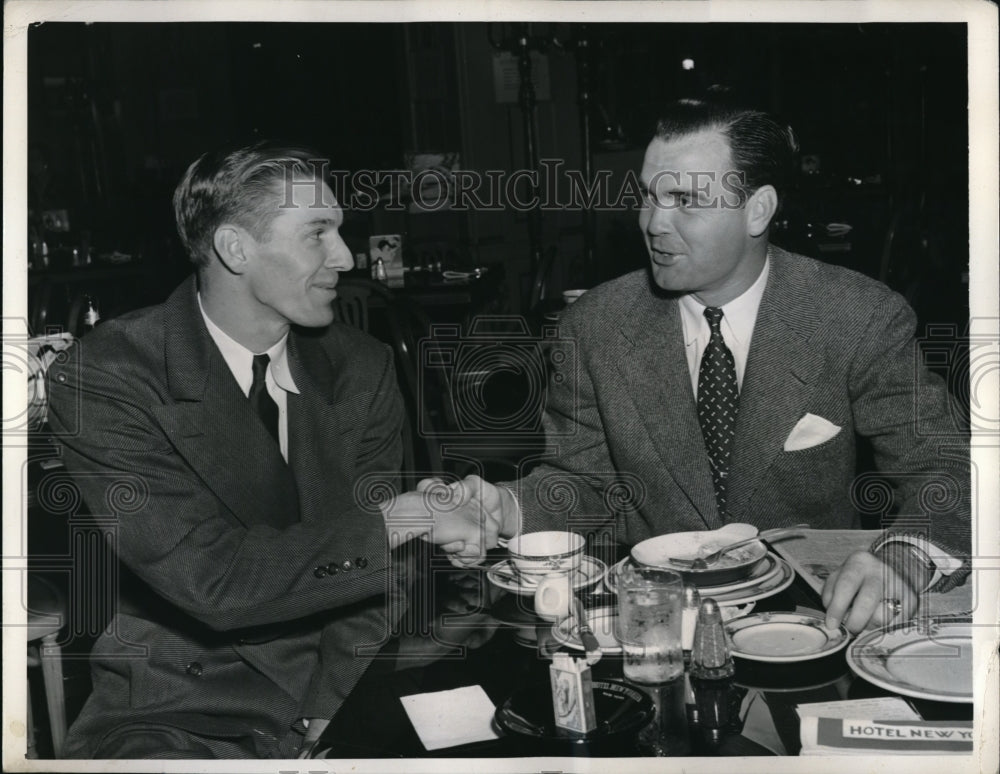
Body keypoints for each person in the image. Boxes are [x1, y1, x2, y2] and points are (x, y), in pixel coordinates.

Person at [433, 99, 970, 634]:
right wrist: (505, 507)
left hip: (815, 622)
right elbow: (584, 482)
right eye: (648, 196)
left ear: (757, 210)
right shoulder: (593, 325)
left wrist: (901, 558)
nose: (652, 223)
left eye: (684, 200)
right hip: (653, 626)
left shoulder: (856, 316)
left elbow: (946, 468)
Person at [45, 142, 496, 758]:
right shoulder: (108, 376)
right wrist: (406, 516)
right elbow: (212, 580)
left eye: (340, 230)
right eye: (317, 233)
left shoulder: (360, 365)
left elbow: (383, 581)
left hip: (341, 682)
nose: (345, 255)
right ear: (236, 249)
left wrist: (328, 712)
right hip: (180, 704)